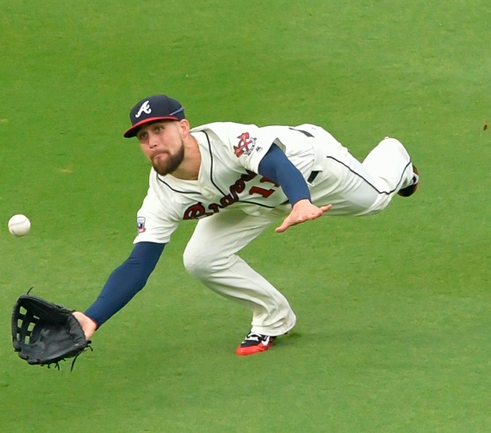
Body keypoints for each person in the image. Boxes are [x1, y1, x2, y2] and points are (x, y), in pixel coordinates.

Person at [73, 94, 419, 356]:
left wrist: (300, 200)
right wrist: (92, 318)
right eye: (143, 137)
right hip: (254, 202)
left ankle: (396, 157)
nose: (152, 143)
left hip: (312, 174)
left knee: (377, 199)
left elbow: (276, 162)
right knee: (201, 258)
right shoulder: (163, 195)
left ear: (183, 127)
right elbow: (138, 264)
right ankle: (273, 318)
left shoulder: (225, 140)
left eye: (159, 130)